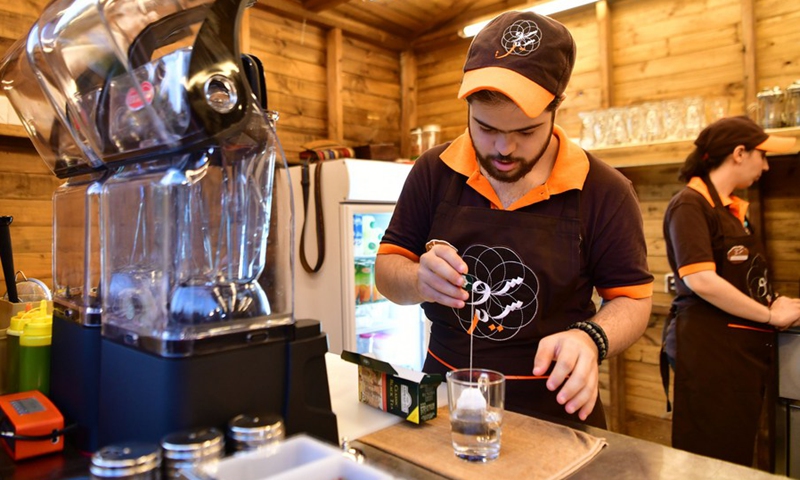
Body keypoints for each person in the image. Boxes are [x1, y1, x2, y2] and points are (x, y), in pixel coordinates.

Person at [374, 10, 653, 428]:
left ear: (557, 107)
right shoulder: (434, 170)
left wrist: (591, 338)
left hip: (556, 412)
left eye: (525, 132)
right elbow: (385, 270)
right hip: (446, 404)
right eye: (485, 128)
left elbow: (633, 298)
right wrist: (417, 280)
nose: (503, 149)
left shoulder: (604, 190)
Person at [662, 115, 800, 466]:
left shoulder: (732, 208)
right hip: (711, 355)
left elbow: (741, 276)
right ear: (739, 153)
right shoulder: (690, 205)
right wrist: (770, 314)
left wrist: (771, 299)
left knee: (735, 454)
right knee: (709, 460)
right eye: (763, 156)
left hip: (740, 355)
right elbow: (701, 280)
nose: (767, 166)